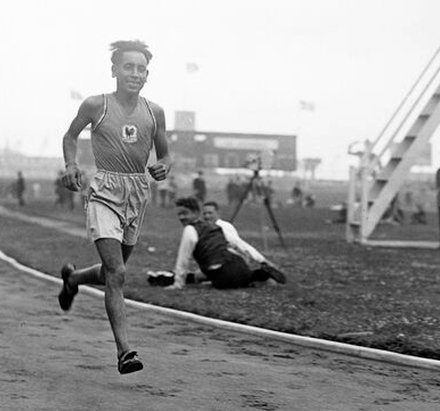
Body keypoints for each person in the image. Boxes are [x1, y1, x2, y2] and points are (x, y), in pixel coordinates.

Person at [57, 40, 171, 374]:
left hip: (137, 191)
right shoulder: (96, 105)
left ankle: (73, 279)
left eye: (140, 69)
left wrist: (164, 165)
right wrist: (70, 165)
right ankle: (125, 352)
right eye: (128, 67)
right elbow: (69, 136)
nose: (134, 73)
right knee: (117, 274)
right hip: (104, 189)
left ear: (147, 74)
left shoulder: (155, 112)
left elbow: (164, 154)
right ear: (114, 71)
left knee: (114, 269)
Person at [166, 197, 286, 290]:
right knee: (237, 278)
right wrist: (263, 260)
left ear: (196, 212)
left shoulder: (190, 229)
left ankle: (255, 278)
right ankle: (259, 275)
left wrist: (178, 283)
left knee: (213, 281)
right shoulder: (215, 226)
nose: (181, 217)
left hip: (223, 274)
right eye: (179, 214)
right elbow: (241, 244)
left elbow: (184, 258)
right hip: (240, 266)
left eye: (185, 213)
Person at [202, 200, 278, 267]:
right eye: (204, 214)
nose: (207, 216)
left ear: (218, 213)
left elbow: (240, 244)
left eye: (210, 213)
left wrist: (262, 260)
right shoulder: (205, 228)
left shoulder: (222, 227)